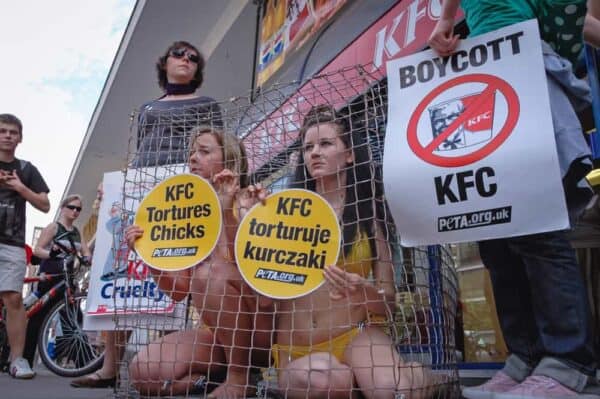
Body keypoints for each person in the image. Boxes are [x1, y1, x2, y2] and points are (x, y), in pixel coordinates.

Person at [429, 2, 599, 398]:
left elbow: (582, 19)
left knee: (536, 226)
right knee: (492, 233)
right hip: (478, 79)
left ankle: (567, 361)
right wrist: (442, 23)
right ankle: (524, 357)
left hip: (524, 74)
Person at [71, 40, 222, 389]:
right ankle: (110, 367)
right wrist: (116, 189)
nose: (186, 60)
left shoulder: (208, 104)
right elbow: (141, 153)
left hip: (180, 194)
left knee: (173, 270)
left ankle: (166, 362)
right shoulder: (147, 107)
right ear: (164, 62)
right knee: (120, 273)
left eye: (193, 58)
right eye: (179, 54)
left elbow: (214, 146)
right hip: (139, 189)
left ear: (198, 70)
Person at [269, 105, 433, 399]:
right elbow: (261, 288)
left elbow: (388, 304)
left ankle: (415, 380)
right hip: (298, 348)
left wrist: (363, 291)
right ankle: (404, 377)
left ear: (349, 154)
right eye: (308, 147)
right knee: (327, 381)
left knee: (392, 390)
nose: (314, 153)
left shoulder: (369, 216)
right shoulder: (283, 214)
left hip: (357, 336)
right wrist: (243, 218)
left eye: (326, 143)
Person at [124, 126, 273, 398]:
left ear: (229, 160)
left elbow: (255, 277)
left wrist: (226, 207)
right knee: (142, 372)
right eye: (192, 152)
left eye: (204, 151)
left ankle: (240, 378)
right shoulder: (187, 215)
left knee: (211, 272)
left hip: (261, 330)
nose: (193, 158)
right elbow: (179, 290)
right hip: (216, 336)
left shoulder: (251, 200)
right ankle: (213, 382)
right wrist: (148, 256)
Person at [0, 113, 50, 379]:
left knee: (14, 299)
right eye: (2, 131)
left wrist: (21, 188)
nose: (7, 135)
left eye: (12, 132)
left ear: (20, 138)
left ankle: (17, 360)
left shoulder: (27, 169)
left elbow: (44, 205)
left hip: (12, 243)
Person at [23, 195, 92, 367]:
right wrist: (51, 254)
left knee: (73, 319)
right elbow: (37, 250)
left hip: (68, 278)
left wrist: (87, 259)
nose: (75, 211)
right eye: (72, 207)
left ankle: (84, 363)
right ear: (63, 207)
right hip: (50, 276)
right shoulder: (53, 227)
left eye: (79, 209)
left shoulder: (77, 232)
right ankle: (25, 360)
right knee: (38, 318)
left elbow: (86, 251)